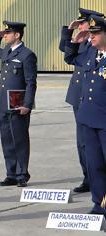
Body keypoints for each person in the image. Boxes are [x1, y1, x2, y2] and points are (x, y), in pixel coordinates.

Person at [64, 15, 106, 217]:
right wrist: (73, 39)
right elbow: (70, 57)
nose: (93, 36)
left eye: (97, 33)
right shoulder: (91, 55)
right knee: (95, 165)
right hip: (88, 119)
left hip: (105, 121)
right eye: (92, 33)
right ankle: (99, 204)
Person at [0, 21, 37, 187]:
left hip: (18, 104)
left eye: (8, 33)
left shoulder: (27, 55)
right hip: (3, 102)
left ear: (17, 35)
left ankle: (22, 173)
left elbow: (31, 82)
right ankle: (11, 173)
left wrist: (27, 104)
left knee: (20, 139)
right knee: (7, 140)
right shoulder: (6, 52)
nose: (5, 35)